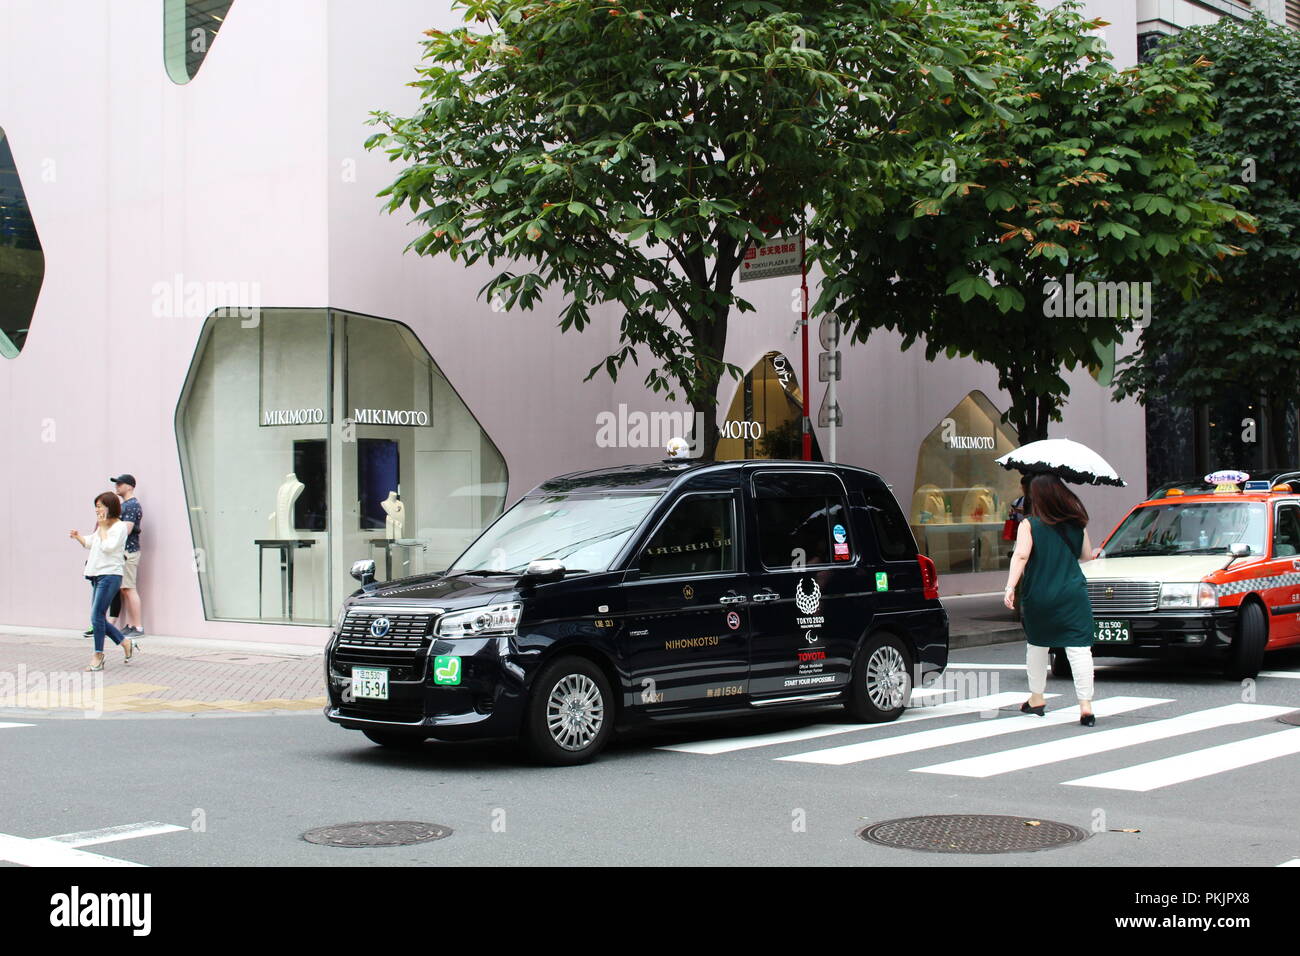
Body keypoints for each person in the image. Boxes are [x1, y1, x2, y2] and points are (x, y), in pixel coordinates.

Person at [1002, 474, 1098, 726]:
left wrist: (1010, 586)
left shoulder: (1030, 525)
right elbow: (1086, 555)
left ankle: (1037, 698)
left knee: (1037, 645)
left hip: (1040, 595)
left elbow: (1021, 556)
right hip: (1072, 594)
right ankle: (1085, 707)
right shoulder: (1078, 524)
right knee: (1078, 649)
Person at [70, 492, 136, 671]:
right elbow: (91, 543)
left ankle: (98, 655)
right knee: (97, 617)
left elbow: (108, 547)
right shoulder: (103, 527)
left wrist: (103, 527)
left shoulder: (119, 526)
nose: (97, 509)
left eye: (100, 506)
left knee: (96, 616)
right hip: (96, 574)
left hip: (110, 575)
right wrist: (78, 537)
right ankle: (125, 642)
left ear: (110, 507)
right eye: (96, 506)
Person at [111, 473, 145, 639]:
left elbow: (127, 529)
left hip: (128, 552)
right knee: (125, 589)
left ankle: (137, 627)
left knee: (129, 588)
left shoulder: (131, 505)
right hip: (124, 552)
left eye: (120, 483)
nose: (117, 486)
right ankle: (131, 625)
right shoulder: (126, 505)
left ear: (130, 486)